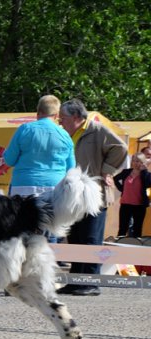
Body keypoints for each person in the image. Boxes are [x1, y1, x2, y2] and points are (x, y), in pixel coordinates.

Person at [57, 98, 128, 296]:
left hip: (94, 195)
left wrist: (107, 170)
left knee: (91, 239)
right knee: (76, 238)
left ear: (77, 117)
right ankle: (75, 281)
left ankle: (90, 283)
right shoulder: (66, 133)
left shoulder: (97, 130)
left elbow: (120, 148)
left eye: (63, 118)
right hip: (73, 196)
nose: (60, 121)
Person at [3, 94, 75, 243]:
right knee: (50, 232)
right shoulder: (65, 136)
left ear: (38, 112)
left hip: (23, 188)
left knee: (20, 232)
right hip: (53, 189)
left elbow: (9, 160)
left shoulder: (24, 129)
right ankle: (47, 263)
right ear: (56, 115)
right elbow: (71, 169)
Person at [113, 153, 151, 237]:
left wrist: (144, 171)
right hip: (125, 204)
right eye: (133, 161)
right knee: (122, 228)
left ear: (143, 162)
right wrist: (122, 188)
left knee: (137, 229)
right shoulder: (126, 172)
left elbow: (149, 184)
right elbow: (115, 179)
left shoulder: (146, 174)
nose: (135, 163)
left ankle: (135, 249)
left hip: (139, 206)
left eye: (138, 161)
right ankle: (119, 247)